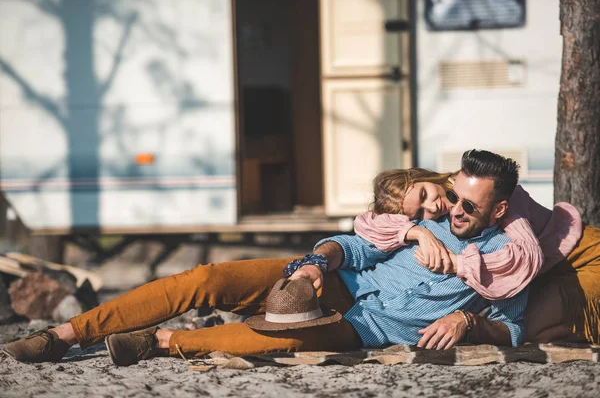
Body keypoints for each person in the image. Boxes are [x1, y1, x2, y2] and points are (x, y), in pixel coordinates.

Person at [3, 150, 528, 365]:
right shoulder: (429, 215)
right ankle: (64, 335)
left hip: (372, 326)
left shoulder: (511, 257)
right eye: (452, 195)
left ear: (499, 208)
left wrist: (466, 319)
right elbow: (354, 244)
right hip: (338, 282)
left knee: (275, 336)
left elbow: (514, 326)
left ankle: (161, 342)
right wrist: (317, 262)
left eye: (468, 204)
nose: (453, 208)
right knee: (209, 277)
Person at [355, 152, 598, 345]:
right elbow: (367, 222)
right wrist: (417, 232)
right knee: (532, 323)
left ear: (423, 176)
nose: (431, 207)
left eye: (424, 194)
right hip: (546, 269)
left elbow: (529, 257)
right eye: (419, 214)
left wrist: (457, 263)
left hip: (584, 254)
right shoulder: (443, 210)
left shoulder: (488, 190)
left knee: (533, 331)